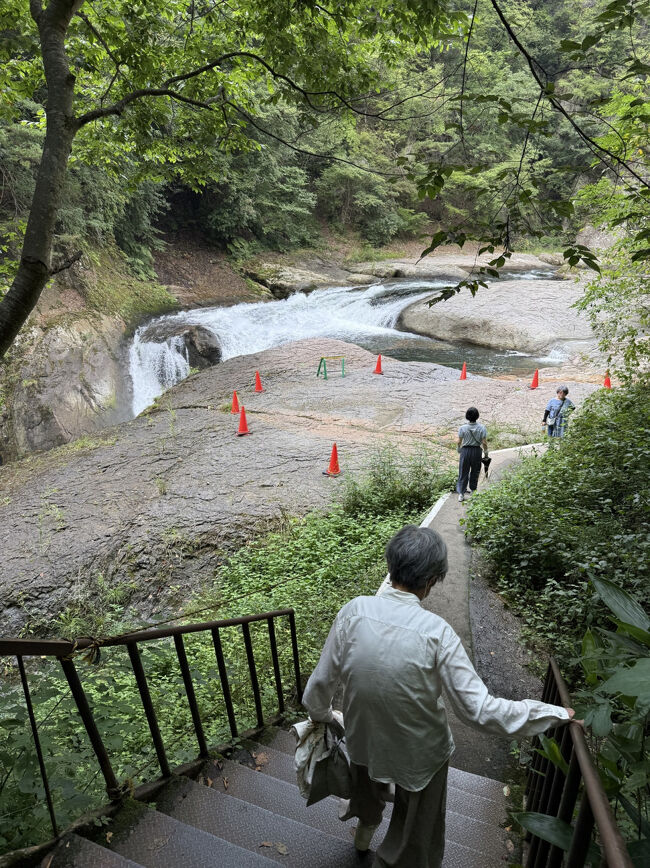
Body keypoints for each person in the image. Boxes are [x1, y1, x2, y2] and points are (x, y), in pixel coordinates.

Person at [302, 525, 575, 868]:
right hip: (420, 754)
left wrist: (322, 715)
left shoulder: (353, 612)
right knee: (415, 829)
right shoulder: (438, 634)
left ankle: (364, 831)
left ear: (391, 566)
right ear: (431, 580)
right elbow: (478, 711)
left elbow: (320, 684)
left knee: (366, 788)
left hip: (363, 738)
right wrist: (552, 714)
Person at [456, 407, 488, 502]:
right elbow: (484, 443)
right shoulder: (482, 428)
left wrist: (459, 449)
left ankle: (461, 494)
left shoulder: (462, 428)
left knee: (463, 472)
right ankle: (473, 491)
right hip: (477, 451)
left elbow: (459, 441)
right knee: (475, 472)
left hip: (465, 451)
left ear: (467, 416)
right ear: (477, 416)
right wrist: (486, 453)